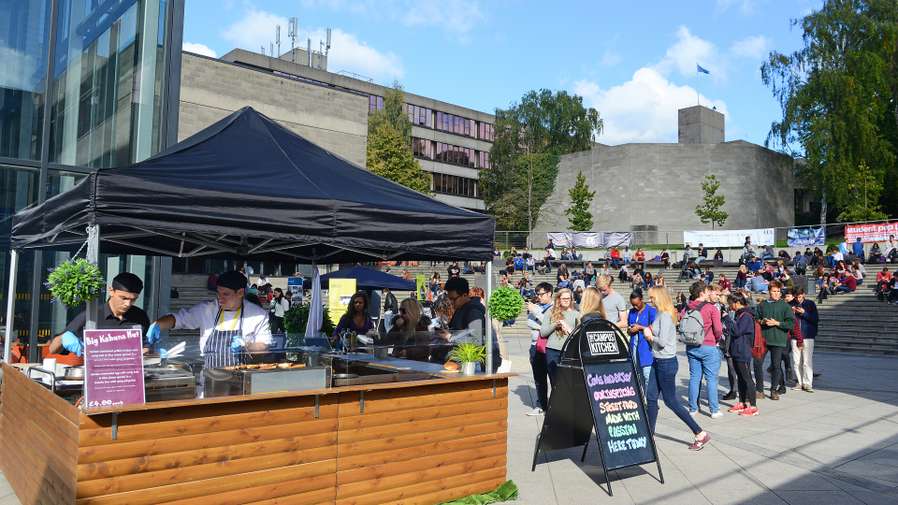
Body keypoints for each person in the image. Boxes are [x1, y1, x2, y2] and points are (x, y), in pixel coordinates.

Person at [150, 270, 271, 370]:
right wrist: (158, 325)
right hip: (210, 378)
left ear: (240, 293)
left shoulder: (258, 315)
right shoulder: (207, 309)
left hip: (242, 378)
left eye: (226, 294)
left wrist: (247, 346)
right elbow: (179, 319)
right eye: (218, 293)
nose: (220, 298)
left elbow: (263, 345)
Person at [644, 287, 712, 450]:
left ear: (659, 298)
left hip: (666, 363)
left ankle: (700, 433)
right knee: (651, 397)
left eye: (652, 297)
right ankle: (649, 434)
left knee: (671, 401)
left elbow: (661, 342)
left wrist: (649, 335)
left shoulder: (666, 316)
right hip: (657, 361)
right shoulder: (660, 313)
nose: (650, 300)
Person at [49, 272, 151, 357]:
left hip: (127, 375)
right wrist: (62, 338)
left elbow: (145, 347)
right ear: (111, 291)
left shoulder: (140, 316)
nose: (127, 304)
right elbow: (52, 349)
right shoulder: (91, 316)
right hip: (97, 376)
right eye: (123, 298)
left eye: (133, 299)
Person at [444, 277, 501, 372]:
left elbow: (476, 339)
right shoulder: (461, 308)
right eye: (449, 299)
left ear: (465, 295)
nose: (451, 302)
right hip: (464, 362)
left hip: (473, 365)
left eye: (453, 299)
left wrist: (450, 337)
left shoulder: (474, 311)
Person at [685, 281, 724, 418]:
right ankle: (714, 410)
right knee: (711, 379)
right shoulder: (711, 308)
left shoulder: (687, 307)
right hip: (708, 345)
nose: (709, 293)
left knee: (694, 378)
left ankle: (693, 408)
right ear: (702, 293)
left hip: (691, 346)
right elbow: (718, 329)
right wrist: (717, 339)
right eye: (707, 291)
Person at [756, 281, 794, 400]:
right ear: (769, 292)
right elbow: (756, 318)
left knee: (776, 366)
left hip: (778, 340)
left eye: (778, 291)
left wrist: (777, 323)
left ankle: (773, 390)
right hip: (763, 340)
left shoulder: (785, 306)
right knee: (757, 364)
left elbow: (790, 324)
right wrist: (762, 321)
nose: (776, 293)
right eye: (774, 291)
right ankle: (760, 390)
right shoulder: (762, 304)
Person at [725, 292, 759, 416]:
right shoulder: (740, 315)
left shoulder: (746, 316)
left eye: (730, 303)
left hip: (743, 351)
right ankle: (743, 402)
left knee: (747, 378)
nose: (729, 306)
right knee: (740, 378)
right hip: (737, 350)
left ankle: (753, 406)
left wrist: (727, 319)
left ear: (737, 303)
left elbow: (737, 331)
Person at [526, 282, 554, 416]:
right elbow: (529, 323)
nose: (538, 297)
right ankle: (541, 405)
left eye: (541, 294)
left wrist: (536, 313)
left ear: (549, 293)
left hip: (549, 346)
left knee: (554, 378)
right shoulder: (536, 307)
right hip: (534, 346)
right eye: (537, 294)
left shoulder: (555, 307)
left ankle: (556, 406)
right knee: (539, 378)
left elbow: (552, 324)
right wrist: (542, 326)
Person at [540, 288, 579, 383]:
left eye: (568, 298)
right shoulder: (550, 312)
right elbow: (543, 333)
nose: (566, 300)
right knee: (555, 381)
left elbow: (579, 335)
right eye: (563, 298)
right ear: (558, 299)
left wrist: (570, 329)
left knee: (568, 382)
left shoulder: (577, 314)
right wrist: (555, 325)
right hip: (552, 351)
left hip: (569, 352)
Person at [626, 290, 656, 384]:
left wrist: (639, 327)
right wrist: (630, 330)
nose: (635, 307)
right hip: (634, 345)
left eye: (637, 304)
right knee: (637, 374)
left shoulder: (651, 311)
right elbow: (629, 326)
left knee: (647, 374)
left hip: (646, 347)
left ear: (642, 300)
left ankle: (648, 397)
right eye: (633, 305)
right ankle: (642, 396)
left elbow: (655, 329)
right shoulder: (631, 312)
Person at [792, 288, 818, 392]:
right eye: (796, 297)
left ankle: (807, 383)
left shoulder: (810, 304)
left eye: (800, 296)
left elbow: (815, 319)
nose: (798, 299)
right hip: (795, 337)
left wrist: (804, 313)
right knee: (796, 361)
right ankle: (799, 382)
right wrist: (792, 313)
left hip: (808, 336)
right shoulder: (791, 304)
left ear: (803, 294)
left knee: (807, 361)